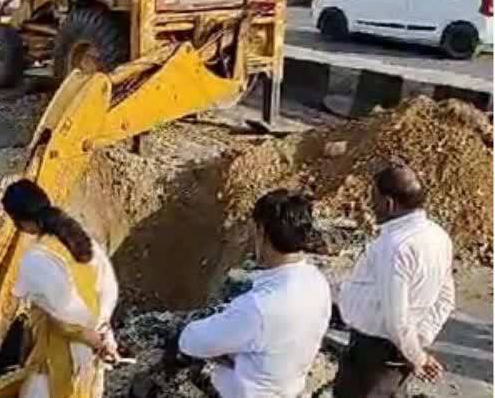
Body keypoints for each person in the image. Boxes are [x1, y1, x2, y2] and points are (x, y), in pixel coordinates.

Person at [178, 189, 332, 398]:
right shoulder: (317, 281)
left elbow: (191, 341)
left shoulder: (258, 308)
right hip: (289, 385)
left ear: (262, 232)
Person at [0, 179, 120, 398]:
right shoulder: (83, 241)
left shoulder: (39, 258)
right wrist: (102, 337)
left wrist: (90, 337)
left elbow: (63, 316)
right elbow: (105, 291)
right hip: (93, 351)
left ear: (19, 220)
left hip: (62, 358)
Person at [332, 163, 454, 397]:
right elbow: (445, 299)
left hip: (373, 357)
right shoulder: (439, 236)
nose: (370, 206)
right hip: (397, 350)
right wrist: (419, 341)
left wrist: (417, 355)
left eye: (373, 199)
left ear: (389, 203)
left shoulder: (394, 248)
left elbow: (396, 318)